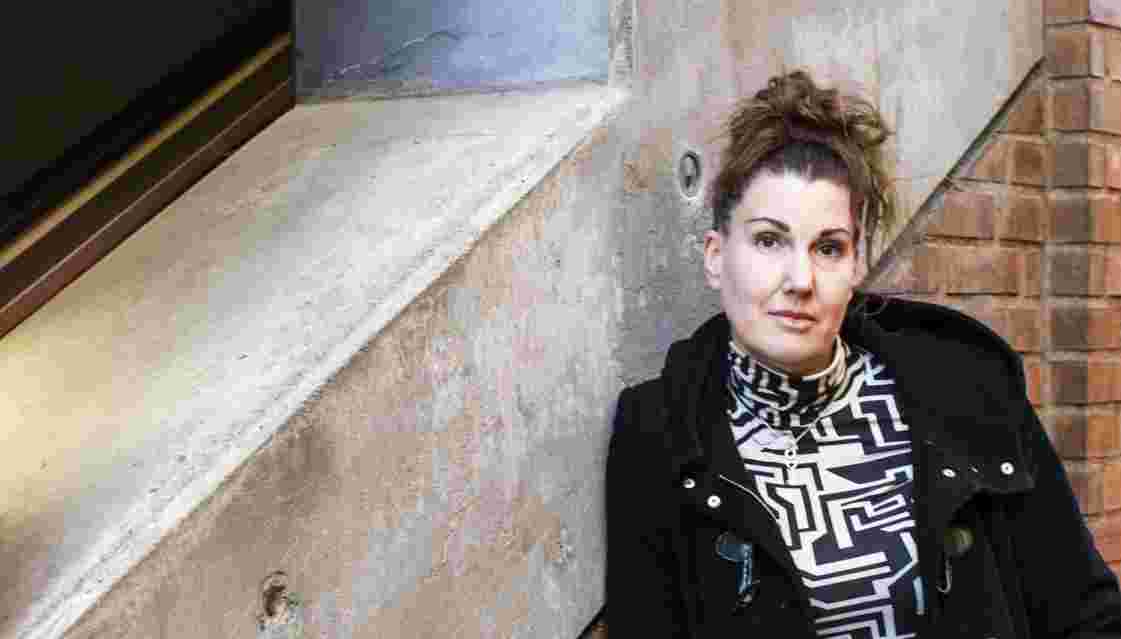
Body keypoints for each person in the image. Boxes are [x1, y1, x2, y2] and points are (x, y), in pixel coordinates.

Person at [605, 70, 1121, 638]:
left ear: (855, 267)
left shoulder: (966, 391)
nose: (800, 279)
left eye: (828, 248)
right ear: (715, 256)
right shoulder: (658, 432)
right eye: (769, 240)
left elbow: (1087, 615)